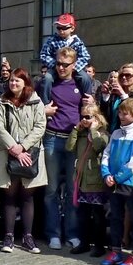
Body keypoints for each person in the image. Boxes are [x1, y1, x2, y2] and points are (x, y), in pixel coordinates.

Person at [39, 47, 92, 251]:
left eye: (66, 64)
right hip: (52, 138)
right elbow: (35, 106)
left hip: (74, 140)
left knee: (72, 190)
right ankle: (53, 233)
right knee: (51, 189)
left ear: (73, 65)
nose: (61, 68)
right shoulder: (48, 83)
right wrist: (43, 111)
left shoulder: (80, 83)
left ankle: (72, 233)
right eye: (58, 63)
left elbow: (89, 108)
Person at [0, 68, 48, 254]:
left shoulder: (36, 101)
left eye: (17, 81)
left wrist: (23, 147)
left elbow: (40, 126)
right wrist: (14, 148)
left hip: (30, 154)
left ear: (25, 82)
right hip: (7, 152)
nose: (13, 84)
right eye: (12, 81)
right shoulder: (2, 101)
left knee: (27, 196)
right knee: (9, 196)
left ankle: (27, 237)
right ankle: (8, 236)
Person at [99, 97, 133, 265]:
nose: (121, 115)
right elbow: (106, 154)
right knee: (115, 217)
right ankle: (115, 250)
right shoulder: (116, 133)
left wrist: (118, 177)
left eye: (125, 113)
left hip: (130, 183)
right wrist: (106, 173)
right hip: (112, 181)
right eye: (120, 112)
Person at [67, 104, 110, 256]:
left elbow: (99, 147)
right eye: (82, 117)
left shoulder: (103, 133)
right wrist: (75, 130)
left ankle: (99, 245)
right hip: (82, 179)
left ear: (97, 118)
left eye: (88, 117)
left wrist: (93, 129)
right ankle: (83, 243)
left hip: (95, 180)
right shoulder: (81, 133)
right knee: (82, 214)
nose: (84, 120)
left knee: (98, 215)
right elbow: (70, 147)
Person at [38, 13, 91, 100]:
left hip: (73, 68)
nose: (61, 31)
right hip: (56, 68)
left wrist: (74, 67)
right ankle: (45, 102)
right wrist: (56, 64)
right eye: (59, 28)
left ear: (72, 28)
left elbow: (85, 56)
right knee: (47, 78)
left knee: (85, 78)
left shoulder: (77, 42)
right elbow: (43, 55)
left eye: (64, 28)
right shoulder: (52, 40)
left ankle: (87, 100)